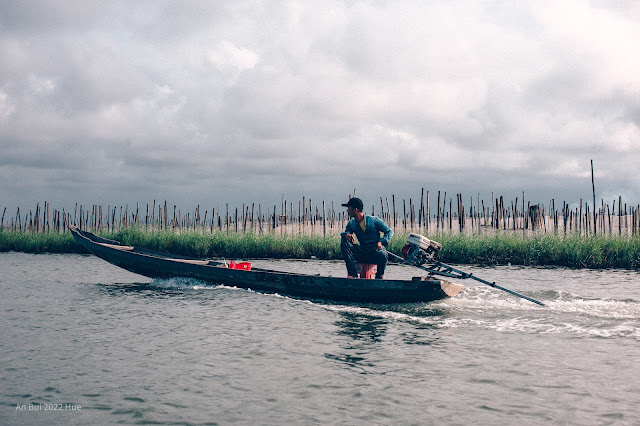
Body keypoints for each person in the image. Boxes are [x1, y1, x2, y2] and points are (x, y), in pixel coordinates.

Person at [340, 197, 393, 279]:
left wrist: (381, 242)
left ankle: (379, 277)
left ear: (355, 209)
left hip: (375, 252)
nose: (347, 211)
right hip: (362, 252)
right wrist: (346, 235)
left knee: (383, 254)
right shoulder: (351, 223)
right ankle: (353, 275)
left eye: (349, 208)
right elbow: (345, 233)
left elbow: (389, 232)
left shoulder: (374, 220)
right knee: (344, 241)